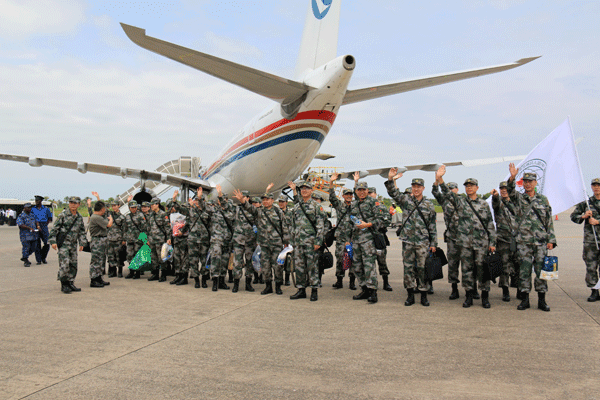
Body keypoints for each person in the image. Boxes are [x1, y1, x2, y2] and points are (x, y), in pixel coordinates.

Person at [436, 166, 496, 308]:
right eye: (467, 186)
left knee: (482, 270)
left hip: (481, 243)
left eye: (471, 186)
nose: (469, 188)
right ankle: (468, 296)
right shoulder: (461, 202)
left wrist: (492, 241)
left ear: (477, 187)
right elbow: (447, 193)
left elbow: (489, 224)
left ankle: (484, 297)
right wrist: (440, 178)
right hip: (465, 244)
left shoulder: (483, 204)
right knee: (467, 270)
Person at [507, 163, 556, 311]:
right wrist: (512, 177)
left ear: (535, 183)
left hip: (541, 242)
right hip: (524, 242)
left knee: (543, 271)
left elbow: (549, 221)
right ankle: (525, 300)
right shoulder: (519, 198)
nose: (528, 184)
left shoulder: (543, 199)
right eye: (525, 182)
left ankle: (542, 300)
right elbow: (510, 190)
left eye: (530, 181)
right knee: (524, 271)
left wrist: (551, 240)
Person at [386, 169, 437, 307]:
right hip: (408, 241)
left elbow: (432, 225)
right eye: (414, 186)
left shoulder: (429, 205)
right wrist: (391, 179)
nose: (416, 189)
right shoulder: (406, 201)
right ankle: (410, 295)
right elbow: (393, 193)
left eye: (418, 187)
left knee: (422, 268)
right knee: (408, 269)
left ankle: (424, 295)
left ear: (423, 188)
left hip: (423, 242)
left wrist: (434, 243)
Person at [234, 189, 290, 295]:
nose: (265, 201)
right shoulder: (259, 212)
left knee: (278, 266)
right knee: (265, 267)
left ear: (272, 200)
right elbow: (249, 208)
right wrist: (242, 201)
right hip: (264, 245)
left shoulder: (278, 212)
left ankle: (278, 286)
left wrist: (286, 244)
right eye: (263, 200)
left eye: (267, 199)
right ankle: (268, 286)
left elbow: (285, 228)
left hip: (276, 245)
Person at [288, 180, 326, 301]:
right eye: (302, 189)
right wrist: (292, 240)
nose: (304, 190)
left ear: (311, 191)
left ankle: (314, 290)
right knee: (299, 267)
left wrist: (318, 242)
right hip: (298, 242)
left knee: (312, 267)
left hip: (311, 242)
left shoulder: (316, 206)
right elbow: (293, 224)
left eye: (306, 188)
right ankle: (301, 290)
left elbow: (321, 226)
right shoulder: (297, 206)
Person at [171, 188, 211, 288]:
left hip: (204, 240)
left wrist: (200, 197)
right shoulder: (190, 211)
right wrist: (174, 200)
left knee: (204, 261)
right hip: (193, 240)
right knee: (193, 261)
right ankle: (197, 280)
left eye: (199, 200)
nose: (197, 202)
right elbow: (179, 209)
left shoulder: (208, 211)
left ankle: (204, 280)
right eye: (196, 200)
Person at [49, 197, 88, 294]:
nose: (73, 205)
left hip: (73, 245)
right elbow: (54, 229)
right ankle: (64, 284)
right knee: (64, 264)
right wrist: (53, 241)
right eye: (71, 203)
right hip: (64, 244)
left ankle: (71, 282)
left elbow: (82, 231)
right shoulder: (63, 215)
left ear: (79, 204)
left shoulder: (79, 217)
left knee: (73, 264)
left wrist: (82, 243)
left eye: (75, 203)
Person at [570, 178, 600, 302]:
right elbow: (573, 216)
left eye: (598, 185)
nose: (596, 187)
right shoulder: (586, 202)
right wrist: (584, 216)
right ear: (591, 187)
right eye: (594, 185)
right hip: (591, 241)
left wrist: (598, 222)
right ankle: (594, 291)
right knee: (591, 266)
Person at [432, 181, 462, 300]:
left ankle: (472, 289)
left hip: (466, 238)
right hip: (452, 238)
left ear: (457, 190)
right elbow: (435, 192)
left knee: (469, 265)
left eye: (453, 188)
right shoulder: (444, 202)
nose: (450, 190)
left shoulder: (463, 201)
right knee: (453, 264)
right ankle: (454, 289)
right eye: (449, 188)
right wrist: (436, 183)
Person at [490, 181, 519, 301]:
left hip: (517, 239)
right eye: (501, 188)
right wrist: (496, 196)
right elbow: (495, 203)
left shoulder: (517, 202)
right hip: (502, 239)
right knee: (504, 265)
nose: (503, 190)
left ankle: (519, 289)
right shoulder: (498, 202)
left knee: (519, 265)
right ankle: (505, 290)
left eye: (506, 188)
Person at [327, 176, 356, 290]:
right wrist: (331, 182)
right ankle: (339, 280)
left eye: (350, 194)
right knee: (339, 259)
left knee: (352, 259)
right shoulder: (339, 206)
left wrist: (356, 181)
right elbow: (332, 197)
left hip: (353, 238)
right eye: (347, 194)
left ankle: (352, 282)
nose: (349, 196)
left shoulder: (355, 207)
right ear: (343, 196)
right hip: (341, 238)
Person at [205, 185, 235, 291]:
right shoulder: (213, 210)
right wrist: (199, 198)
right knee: (215, 260)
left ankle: (222, 281)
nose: (223, 201)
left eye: (225, 199)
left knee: (224, 262)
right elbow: (203, 207)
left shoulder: (231, 212)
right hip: (216, 240)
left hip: (227, 240)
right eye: (221, 199)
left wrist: (221, 196)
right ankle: (215, 281)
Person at [231, 190, 258, 292]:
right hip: (238, 240)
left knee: (249, 263)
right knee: (237, 263)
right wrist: (220, 194)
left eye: (245, 197)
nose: (243, 198)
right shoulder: (236, 209)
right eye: (242, 196)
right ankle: (236, 284)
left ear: (248, 198)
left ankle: (248, 284)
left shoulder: (253, 209)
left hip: (250, 240)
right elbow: (225, 206)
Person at [367, 186, 393, 291]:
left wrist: (375, 224)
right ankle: (370, 285)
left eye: (372, 193)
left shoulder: (381, 207)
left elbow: (387, 221)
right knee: (368, 262)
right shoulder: (364, 207)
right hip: (367, 238)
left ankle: (386, 282)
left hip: (379, 237)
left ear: (375, 194)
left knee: (382, 261)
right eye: (368, 193)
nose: (370, 195)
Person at [88, 201, 113, 287]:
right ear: (102, 209)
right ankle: (94, 279)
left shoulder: (97, 217)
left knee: (100, 260)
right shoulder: (96, 217)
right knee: (96, 261)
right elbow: (109, 225)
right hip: (97, 241)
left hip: (101, 240)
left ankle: (99, 278)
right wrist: (111, 219)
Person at [146, 198, 171, 282]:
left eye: (153, 204)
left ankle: (163, 275)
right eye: (151, 205)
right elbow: (148, 227)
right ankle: (155, 274)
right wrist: (148, 238)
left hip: (160, 239)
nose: (152, 206)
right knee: (153, 257)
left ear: (157, 204)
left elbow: (167, 227)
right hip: (152, 239)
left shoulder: (163, 214)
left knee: (162, 258)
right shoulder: (150, 214)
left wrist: (168, 238)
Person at [123, 200, 148, 279]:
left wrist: (144, 239)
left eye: (134, 207)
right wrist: (124, 238)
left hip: (138, 240)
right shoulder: (127, 216)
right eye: (132, 207)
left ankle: (137, 273)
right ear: (129, 208)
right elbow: (125, 228)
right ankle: (131, 272)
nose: (133, 209)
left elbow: (145, 228)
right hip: (130, 239)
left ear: (137, 207)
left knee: (137, 256)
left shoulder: (140, 215)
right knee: (130, 255)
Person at [16, 203, 40, 267]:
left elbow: (36, 221)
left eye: (30, 208)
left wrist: (38, 226)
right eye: (28, 208)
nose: (29, 209)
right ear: (24, 208)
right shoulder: (21, 216)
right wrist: (29, 228)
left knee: (33, 247)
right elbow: (20, 224)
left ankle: (24, 257)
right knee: (26, 248)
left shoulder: (32, 215)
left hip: (33, 235)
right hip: (25, 235)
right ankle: (26, 260)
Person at [106, 201, 125, 278]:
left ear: (119, 206)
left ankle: (120, 271)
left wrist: (124, 239)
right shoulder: (109, 215)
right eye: (112, 206)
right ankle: (112, 271)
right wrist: (98, 197)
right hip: (110, 238)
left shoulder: (122, 217)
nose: (114, 207)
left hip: (118, 239)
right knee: (110, 255)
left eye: (115, 205)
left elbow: (124, 229)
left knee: (119, 256)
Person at [278, 195, 294, 286]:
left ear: (286, 203)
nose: (281, 203)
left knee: (288, 260)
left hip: (288, 240)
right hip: (278, 239)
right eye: (280, 202)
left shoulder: (290, 214)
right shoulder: (276, 212)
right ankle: (279, 278)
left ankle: (287, 278)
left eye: (283, 202)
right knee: (279, 260)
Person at [32, 195, 52, 264]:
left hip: (44, 225)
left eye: (37, 201)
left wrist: (45, 225)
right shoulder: (32, 209)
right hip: (35, 226)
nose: (36, 202)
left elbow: (50, 218)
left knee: (47, 243)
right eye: (35, 201)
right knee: (37, 244)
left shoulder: (46, 209)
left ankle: (43, 257)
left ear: (41, 201)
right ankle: (39, 260)